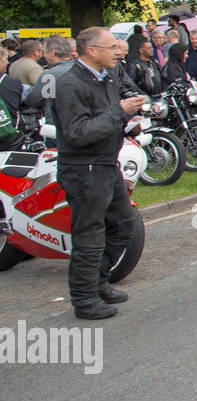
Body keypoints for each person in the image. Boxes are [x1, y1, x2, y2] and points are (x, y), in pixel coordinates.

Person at [52, 27, 147, 320]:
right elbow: (78, 132)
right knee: (89, 233)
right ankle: (84, 298)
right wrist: (118, 112)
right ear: (92, 50)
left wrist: (128, 122)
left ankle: (98, 281)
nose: (118, 53)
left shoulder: (106, 79)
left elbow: (103, 119)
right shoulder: (69, 84)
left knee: (123, 224)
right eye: (111, 48)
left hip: (106, 162)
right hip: (84, 169)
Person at [21, 35, 76, 143]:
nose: (44, 56)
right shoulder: (83, 70)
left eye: (45, 52)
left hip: (56, 127)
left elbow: (32, 100)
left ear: (52, 52)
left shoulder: (50, 75)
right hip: (84, 127)